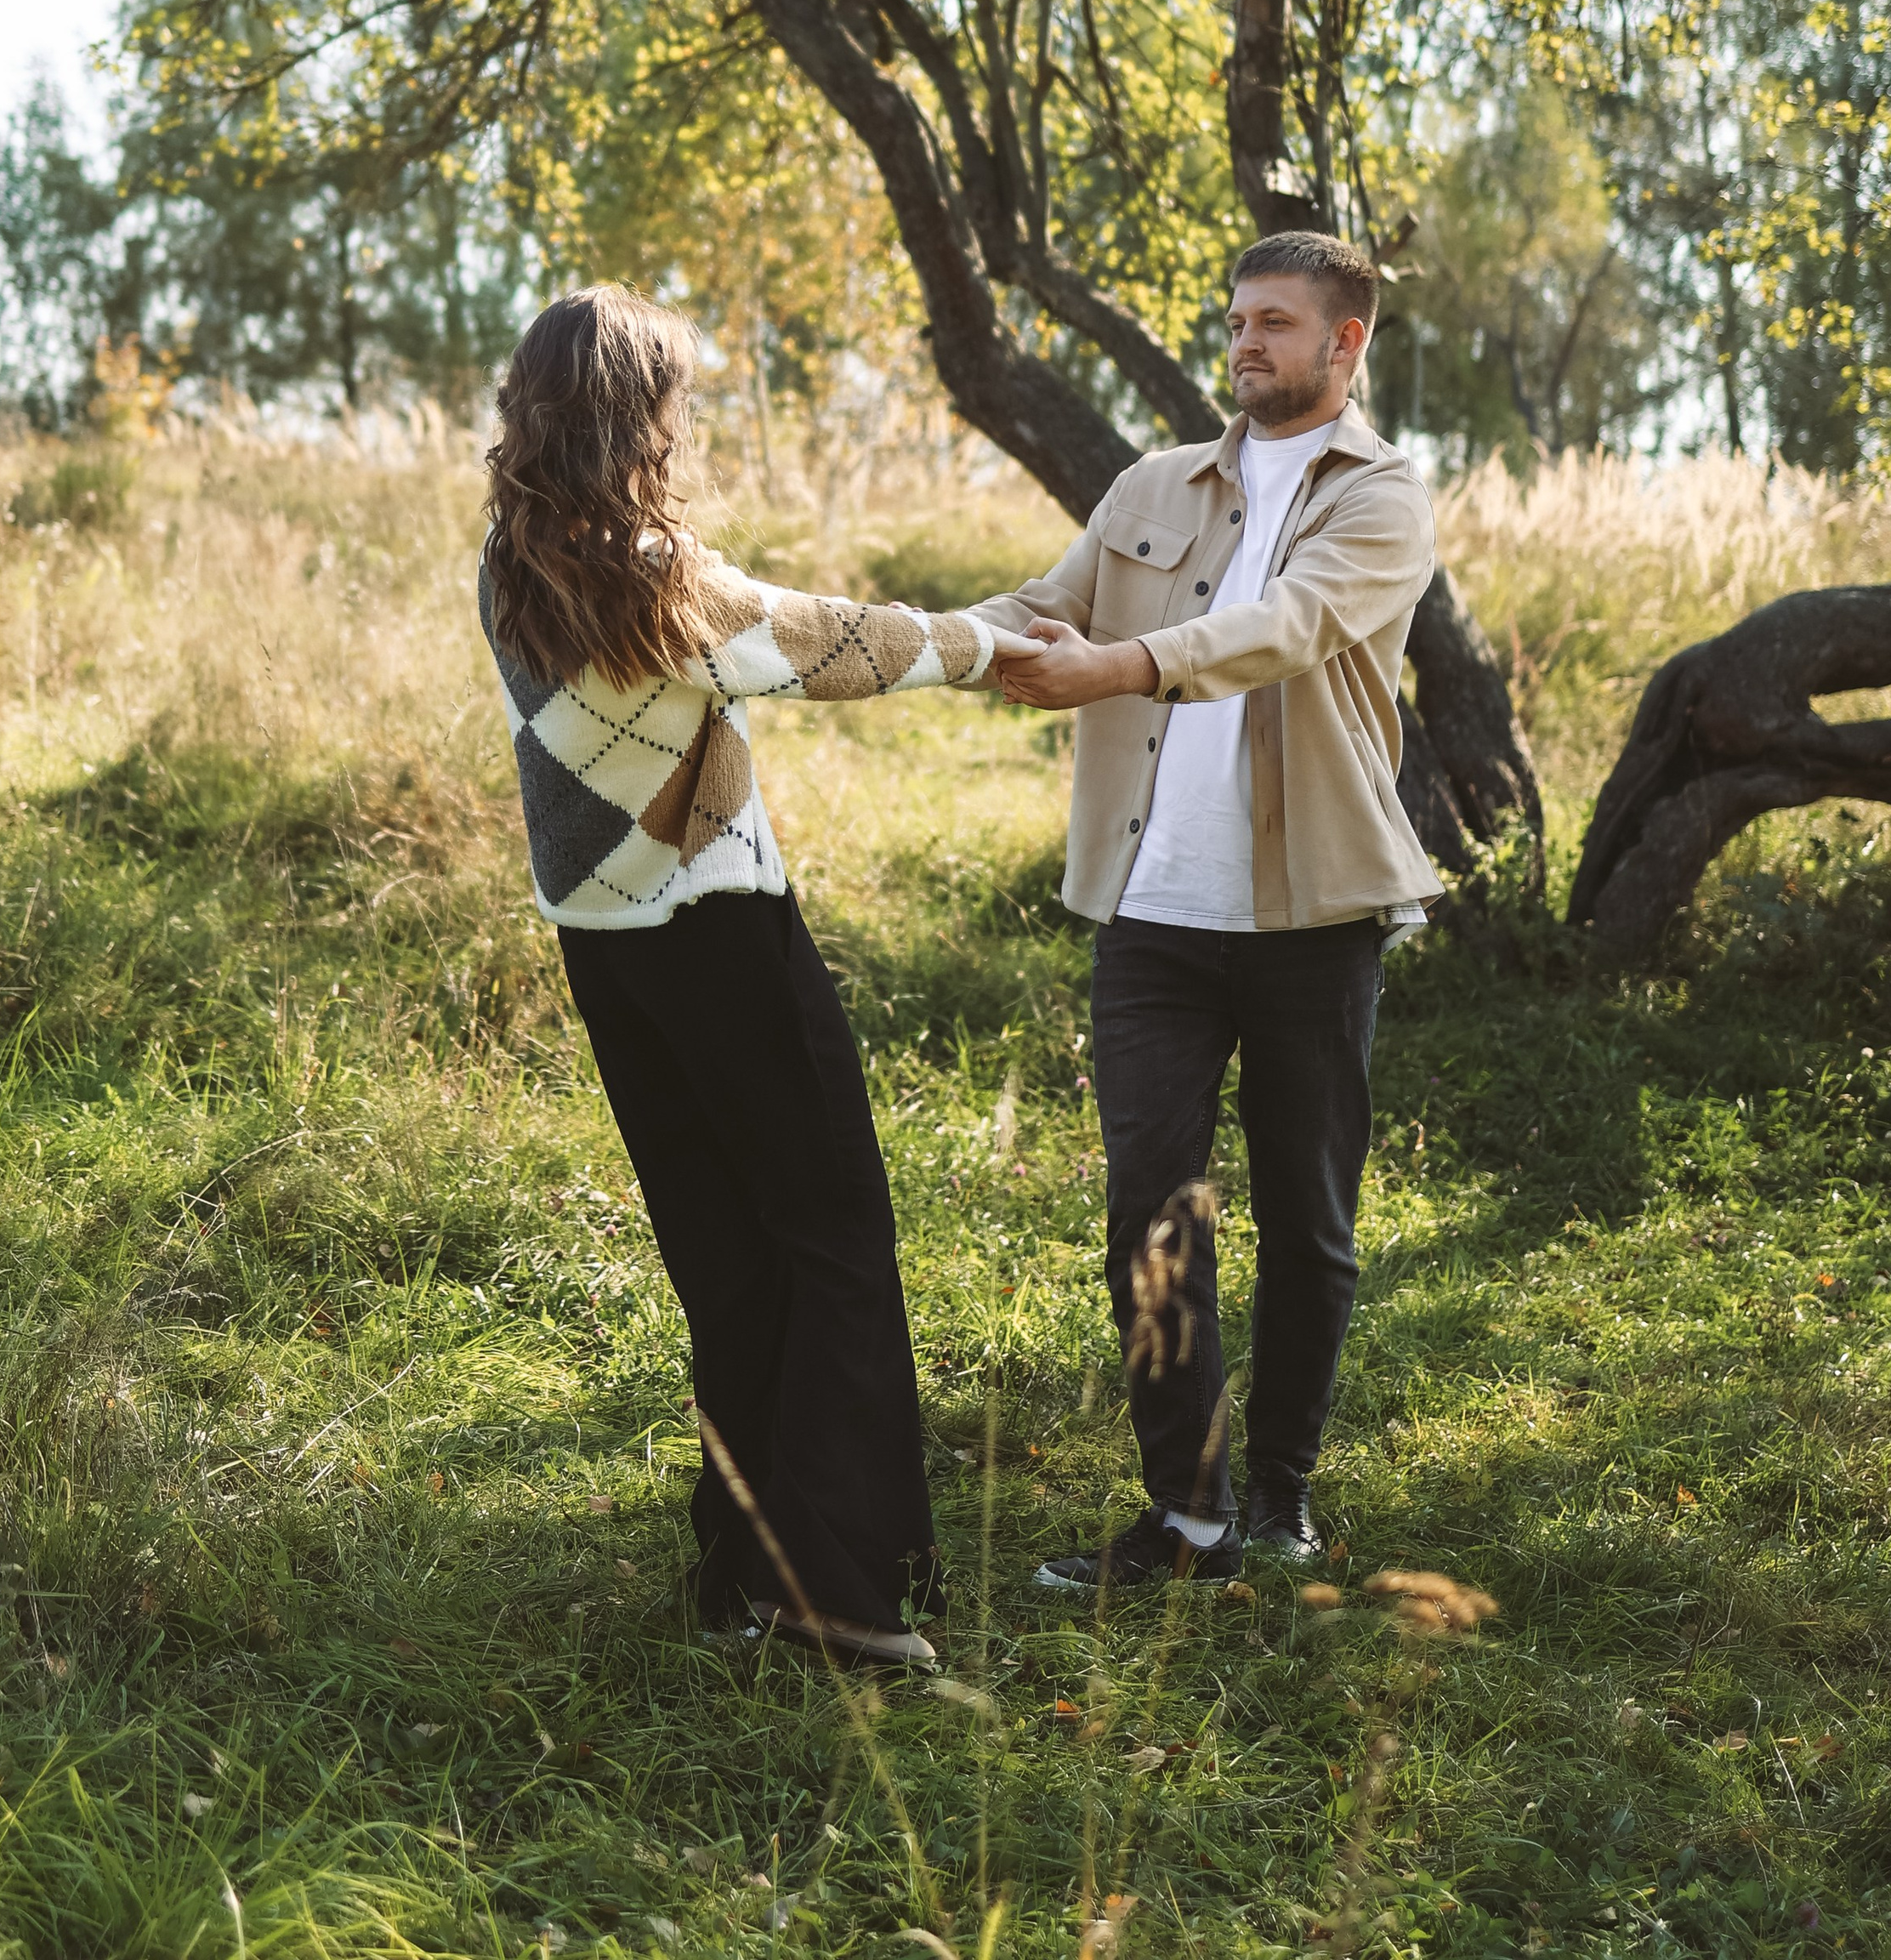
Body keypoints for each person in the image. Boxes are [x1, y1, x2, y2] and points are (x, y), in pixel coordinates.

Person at [478, 285, 1000, 1668]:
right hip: (719, 930)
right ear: (630, 409)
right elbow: (829, 645)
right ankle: (838, 1597)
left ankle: (744, 1573)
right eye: (674, 394)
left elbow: (677, 707)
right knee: (829, 1238)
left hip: (606, 946)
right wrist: (998, 642)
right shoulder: (655, 563)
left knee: (726, 1255)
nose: (684, 415)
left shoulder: (516, 562)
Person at [980, 232, 1442, 1588]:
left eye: (1277, 324)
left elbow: (1286, 630)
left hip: (1314, 917)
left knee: (1307, 1220)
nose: (1247, 343)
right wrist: (888, 644)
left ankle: (1280, 1497)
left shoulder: (1386, 500)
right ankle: (1188, 1518)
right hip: (1153, 918)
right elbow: (1041, 606)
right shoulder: (1152, 485)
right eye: (1237, 320)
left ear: (1346, 344)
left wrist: (1121, 664)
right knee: (1151, 1216)